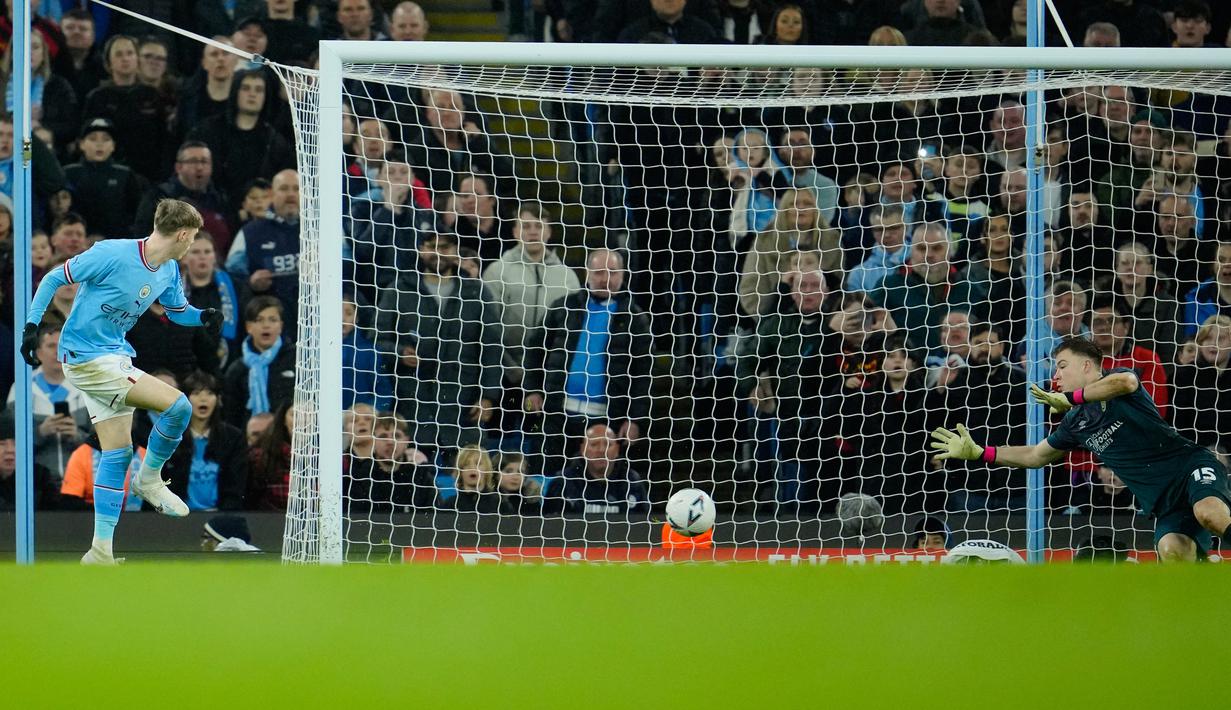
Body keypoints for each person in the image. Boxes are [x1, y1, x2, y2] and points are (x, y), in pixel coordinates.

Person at [20, 199, 223, 564]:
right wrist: (32, 325)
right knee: (179, 406)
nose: (191, 245)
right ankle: (150, 480)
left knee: (117, 453)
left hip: (114, 354)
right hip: (85, 356)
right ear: (181, 234)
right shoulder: (112, 253)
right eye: (192, 238)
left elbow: (178, 312)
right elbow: (54, 277)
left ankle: (100, 551)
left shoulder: (169, 270)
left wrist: (204, 318)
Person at [931, 336, 1231, 562]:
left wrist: (1073, 397)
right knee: (1171, 550)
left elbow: (1125, 382)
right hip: (1163, 504)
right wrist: (980, 452)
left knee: (1209, 513)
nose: (1056, 375)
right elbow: (1036, 455)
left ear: (1087, 366)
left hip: (1190, 468)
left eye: (1063, 366)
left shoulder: (1119, 381)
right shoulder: (1076, 422)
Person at [6, 322, 89, 483]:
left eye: (63, 345)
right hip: (35, 484)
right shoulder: (21, 389)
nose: (58, 352)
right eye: (51, 346)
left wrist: (76, 436)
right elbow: (9, 440)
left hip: (79, 482)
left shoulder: (85, 387)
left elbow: (101, 441)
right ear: (38, 353)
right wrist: (40, 432)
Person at [163, 371, 247, 511]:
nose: (203, 399)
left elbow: (236, 487)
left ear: (218, 399)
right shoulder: (170, 437)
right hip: (178, 519)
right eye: (196, 393)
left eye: (209, 393)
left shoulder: (233, 438)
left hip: (219, 518)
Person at [62, 118, 146, 239]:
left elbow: (136, 213)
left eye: (106, 139)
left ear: (113, 146)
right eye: (92, 138)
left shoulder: (125, 175)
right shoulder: (69, 173)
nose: (99, 144)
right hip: (78, 243)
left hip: (116, 242)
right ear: (81, 144)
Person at [222, 296, 297, 428]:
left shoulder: (296, 361)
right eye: (259, 320)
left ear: (281, 326)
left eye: (272, 320)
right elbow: (231, 418)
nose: (266, 325)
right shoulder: (237, 369)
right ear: (249, 327)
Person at [551, 423, 649, 515]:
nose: (602, 450)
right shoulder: (564, 481)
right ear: (583, 449)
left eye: (608, 445)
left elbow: (645, 523)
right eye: (594, 444)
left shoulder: (632, 481)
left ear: (617, 450)